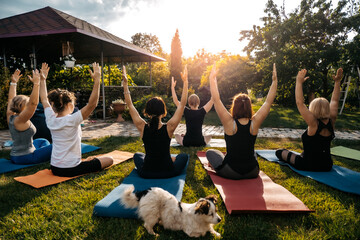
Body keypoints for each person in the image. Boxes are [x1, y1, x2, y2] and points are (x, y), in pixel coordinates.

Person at [40, 62, 113, 177]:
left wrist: (42, 80)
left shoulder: (50, 118)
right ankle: (88, 161)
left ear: (53, 105)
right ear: (69, 105)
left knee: (96, 160)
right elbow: (92, 104)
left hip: (55, 168)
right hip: (72, 169)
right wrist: (97, 81)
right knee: (109, 160)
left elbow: (44, 99)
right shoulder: (73, 120)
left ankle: (88, 161)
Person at [206, 63, 278, 179]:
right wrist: (274, 82)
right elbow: (268, 102)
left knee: (210, 152)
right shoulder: (254, 123)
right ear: (250, 107)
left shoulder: (229, 122)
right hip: (252, 171)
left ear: (234, 106)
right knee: (252, 152)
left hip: (231, 172)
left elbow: (216, 99)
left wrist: (212, 78)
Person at [122, 65, 189, 178]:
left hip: (147, 172)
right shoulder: (169, 127)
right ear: (163, 111)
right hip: (168, 172)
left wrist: (125, 85)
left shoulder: (142, 126)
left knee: (137, 155)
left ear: (147, 112)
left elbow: (129, 104)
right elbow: (182, 105)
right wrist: (185, 82)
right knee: (183, 156)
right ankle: (172, 159)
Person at [275, 68, 343, 171]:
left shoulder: (313, 123)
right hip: (327, 165)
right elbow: (335, 100)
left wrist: (298, 82)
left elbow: (299, 102)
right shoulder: (332, 120)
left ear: (313, 108)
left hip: (308, 164)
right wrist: (337, 82)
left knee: (280, 152)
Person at [6, 64, 52, 164]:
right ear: (23, 107)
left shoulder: (10, 116)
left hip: (15, 155)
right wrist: (36, 83)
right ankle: (42, 154)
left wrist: (13, 83)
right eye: (26, 104)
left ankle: (41, 152)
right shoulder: (21, 119)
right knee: (57, 145)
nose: (28, 106)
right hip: (26, 157)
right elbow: (33, 103)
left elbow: (10, 99)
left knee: (42, 141)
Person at [171, 76, 213, 146]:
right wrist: (213, 82)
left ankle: (184, 136)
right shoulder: (202, 111)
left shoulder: (186, 111)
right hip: (200, 142)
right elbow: (212, 100)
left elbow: (175, 100)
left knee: (176, 135)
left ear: (189, 103)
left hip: (187, 142)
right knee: (209, 136)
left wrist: (172, 87)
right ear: (198, 103)